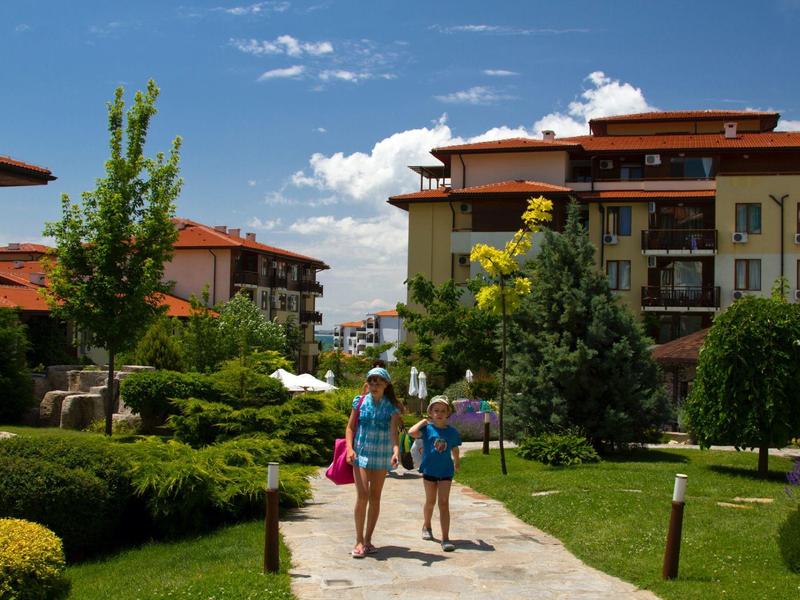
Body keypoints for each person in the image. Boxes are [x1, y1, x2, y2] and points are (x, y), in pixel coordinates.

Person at [345, 367, 402, 558]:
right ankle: (358, 540)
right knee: (362, 495)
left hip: (381, 455)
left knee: (375, 497)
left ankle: (368, 539)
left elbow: (394, 433)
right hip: (360, 454)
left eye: (379, 381)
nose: (374, 385)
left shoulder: (391, 407)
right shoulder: (359, 402)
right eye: (371, 381)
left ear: (386, 385)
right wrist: (349, 448)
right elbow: (350, 428)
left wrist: (396, 452)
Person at [408, 395, 461, 552]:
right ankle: (427, 525)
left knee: (443, 503)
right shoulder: (426, 429)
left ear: (448, 413)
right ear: (430, 412)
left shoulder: (452, 432)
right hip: (429, 470)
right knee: (430, 501)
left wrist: (457, 461)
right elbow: (411, 432)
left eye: (443, 411)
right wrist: (423, 422)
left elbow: (455, 448)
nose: (439, 413)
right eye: (436, 410)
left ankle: (445, 538)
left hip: (445, 470)